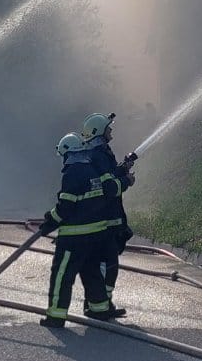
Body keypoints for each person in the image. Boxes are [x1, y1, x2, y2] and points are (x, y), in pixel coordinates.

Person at [36, 133, 124, 328]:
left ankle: (56, 316)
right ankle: (99, 310)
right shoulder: (93, 170)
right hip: (96, 237)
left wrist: (50, 220)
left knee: (62, 276)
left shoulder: (72, 173)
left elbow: (66, 207)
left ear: (67, 153)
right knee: (91, 272)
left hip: (73, 238)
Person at [79, 112, 136, 301]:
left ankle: (101, 303)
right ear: (100, 132)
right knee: (107, 264)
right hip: (105, 219)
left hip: (108, 218)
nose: (111, 130)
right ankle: (99, 303)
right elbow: (109, 188)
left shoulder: (101, 153)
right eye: (107, 127)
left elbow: (109, 175)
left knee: (109, 263)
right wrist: (127, 181)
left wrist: (122, 168)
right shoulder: (98, 155)